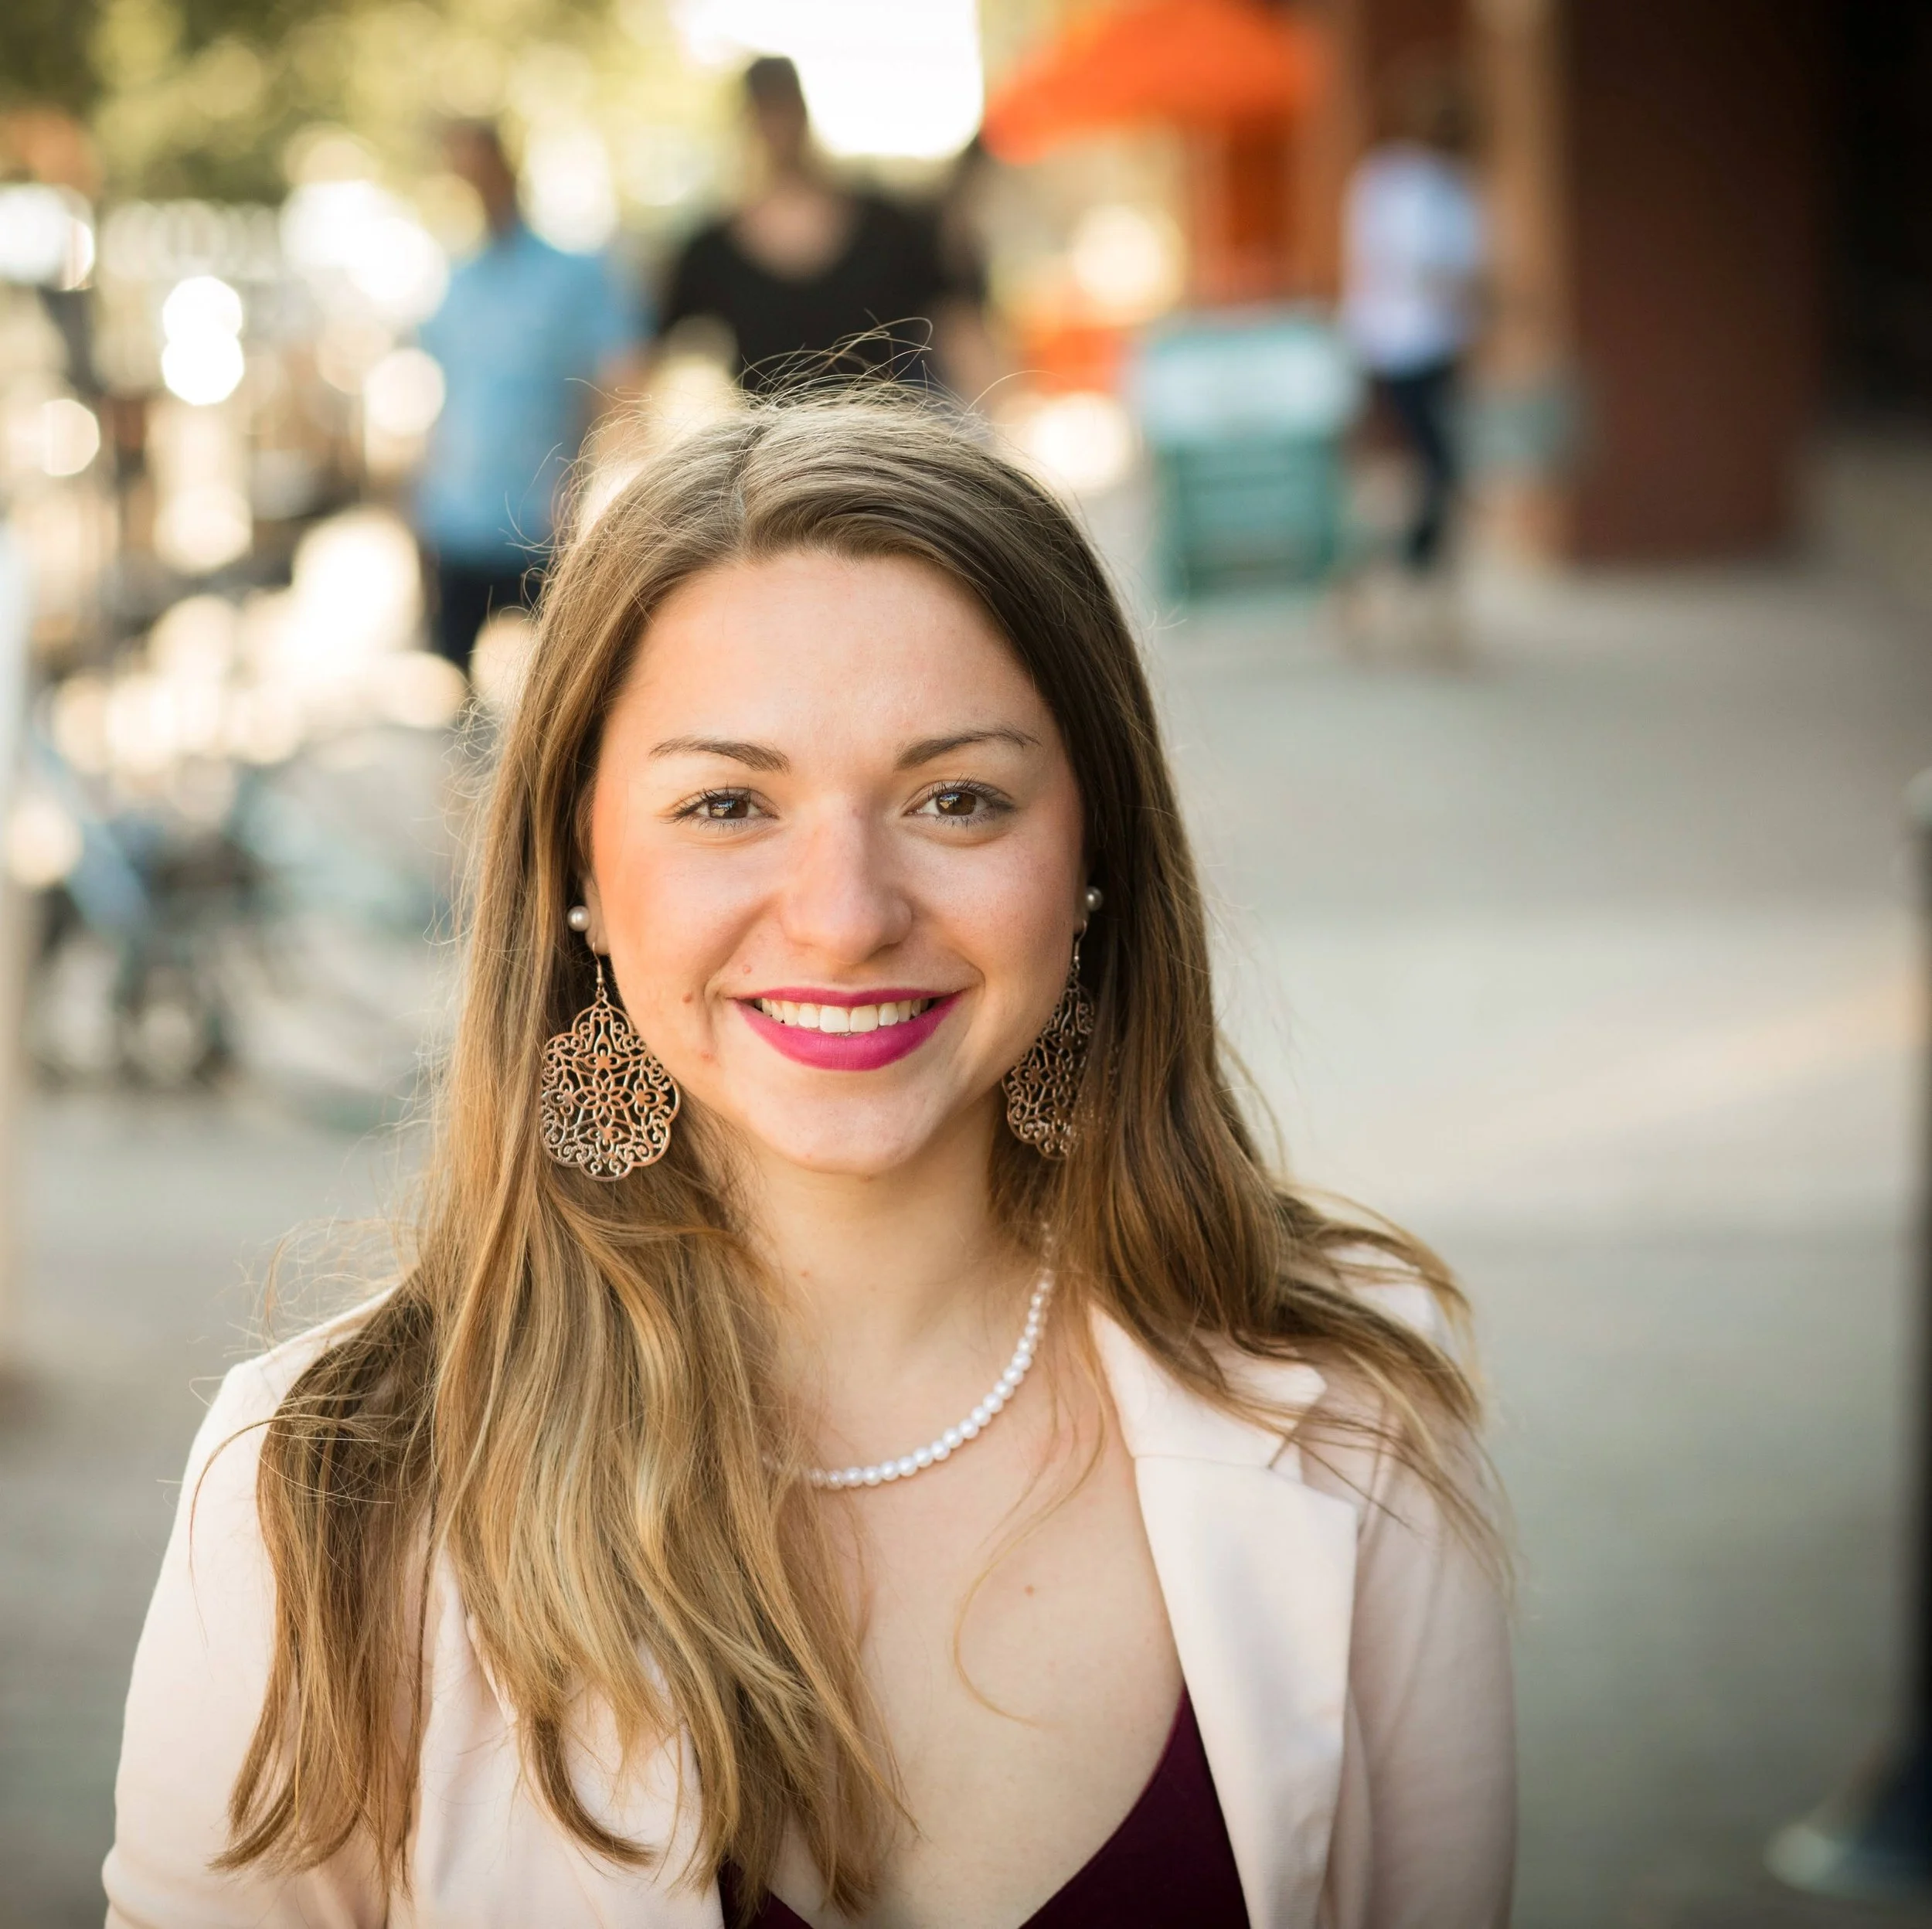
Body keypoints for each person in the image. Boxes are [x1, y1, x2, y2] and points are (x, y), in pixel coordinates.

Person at [104, 395, 1515, 1927]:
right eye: (725, 804)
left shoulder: (1345, 1413)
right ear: (576, 870)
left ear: (1093, 855)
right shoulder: (320, 1487)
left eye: (955, 798)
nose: (844, 913)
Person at [414, 120, 645, 672]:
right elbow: (445, 402)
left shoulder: (573, 275)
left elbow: (620, 387)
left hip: (545, 524)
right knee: (455, 689)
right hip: (460, 519)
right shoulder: (458, 282)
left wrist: (594, 491)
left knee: (556, 700)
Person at [658, 58, 994, 398]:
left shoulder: (888, 229)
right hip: (776, 448)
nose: (778, 127)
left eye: (785, 110)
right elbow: (645, 356)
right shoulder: (711, 253)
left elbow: (957, 327)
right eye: (767, 112)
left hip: (882, 439)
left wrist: (1006, 410)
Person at [1341, 73, 1487, 580]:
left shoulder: (1439, 184)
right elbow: (1431, 269)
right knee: (1417, 472)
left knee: (1434, 472)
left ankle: (1412, 568)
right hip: (1394, 348)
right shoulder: (1396, 181)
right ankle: (1395, 567)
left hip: (1425, 347)